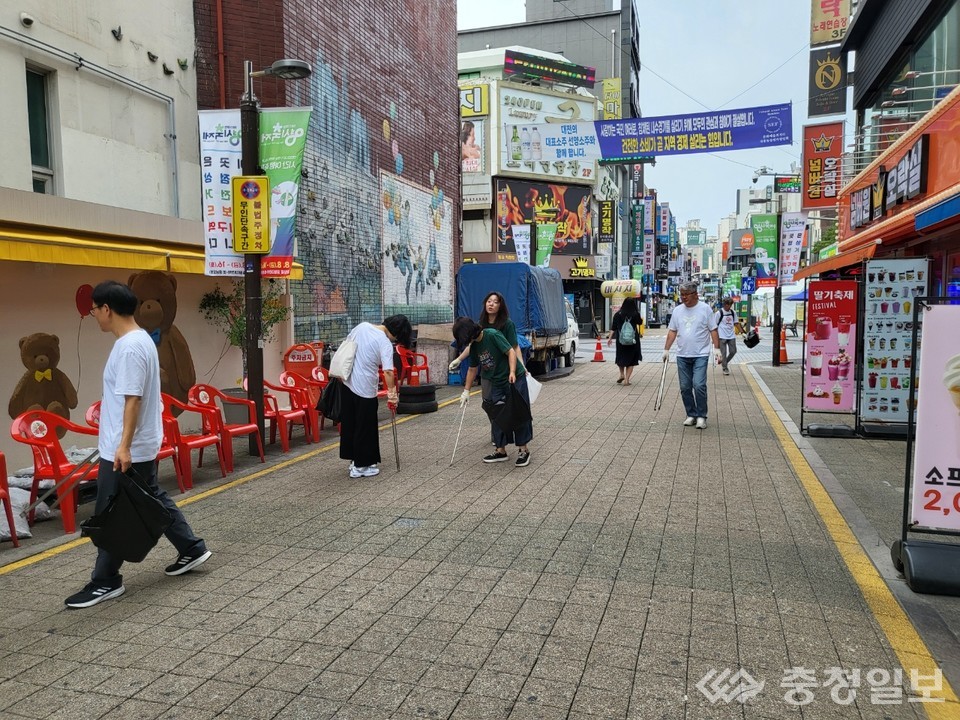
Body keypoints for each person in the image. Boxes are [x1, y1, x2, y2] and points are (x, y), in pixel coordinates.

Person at [65, 281, 211, 609]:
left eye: (94, 311)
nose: (95, 316)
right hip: (135, 443)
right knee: (149, 499)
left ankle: (105, 581)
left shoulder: (130, 346)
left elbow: (133, 399)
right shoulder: (141, 338)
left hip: (125, 448)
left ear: (107, 309)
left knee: (112, 512)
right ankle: (191, 548)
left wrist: (123, 447)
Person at [453, 317, 532, 467]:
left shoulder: (492, 334)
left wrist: (513, 372)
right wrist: (466, 391)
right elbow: (472, 369)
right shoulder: (475, 345)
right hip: (496, 382)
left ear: (469, 332)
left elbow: (510, 352)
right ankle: (500, 451)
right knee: (497, 414)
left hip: (514, 378)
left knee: (518, 413)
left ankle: (524, 450)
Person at [339, 314, 411, 478]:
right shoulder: (384, 342)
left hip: (347, 383)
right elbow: (388, 371)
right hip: (365, 387)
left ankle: (353, 460)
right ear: (397, 333)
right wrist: (392, 393)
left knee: (351, 424)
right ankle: (361, 466)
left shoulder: (362, 326)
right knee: (365, 426)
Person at [661, 282, 722, 430]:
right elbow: (672, 331)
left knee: (699, 385)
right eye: (681, 294)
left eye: (686, 295)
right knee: (685, 387)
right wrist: (666, 350)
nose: (683, 297)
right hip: (682, 354)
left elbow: (713, 329)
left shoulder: (705, 309)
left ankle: (701, 415)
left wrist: (717, 348)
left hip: (700, 353)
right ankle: (691, 414)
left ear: (695, 294)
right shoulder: (677, 311)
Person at [607, 297, 644, 386]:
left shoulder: (618, 314)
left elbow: (613, 328)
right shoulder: (635, 314)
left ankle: (621, 374)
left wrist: (609, 338)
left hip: (621, 340)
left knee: (621, 357)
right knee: (632, 360)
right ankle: (626, 380)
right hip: (633, 340)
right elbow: (640, 323)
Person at [715, 297, 738, 376]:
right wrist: (715, 338)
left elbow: (736, 323)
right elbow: (715, 325)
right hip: (722, 336)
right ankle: (725, 368)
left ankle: (725, 362)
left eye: (729, 305)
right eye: (726, 305)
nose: (727, 307)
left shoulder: (733, 312)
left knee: (733, 351)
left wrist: (743, 333)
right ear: (724, 304)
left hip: (731, 335)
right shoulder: (719, 313)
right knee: (723, 353)